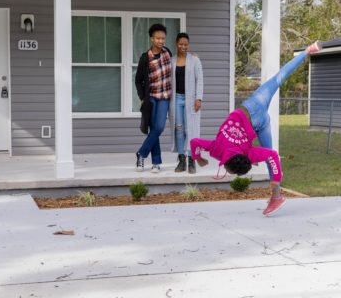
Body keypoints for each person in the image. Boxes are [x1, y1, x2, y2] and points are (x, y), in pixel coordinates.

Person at [190, 41, 322, 216]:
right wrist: (198, 157)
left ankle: (276, 195)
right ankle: (307, 51)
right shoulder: (217, 150)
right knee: (279, 77)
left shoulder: (240, 154)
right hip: (253, 106)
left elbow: (273, 156)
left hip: (257, 113)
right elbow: (194, 142)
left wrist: (275, 179)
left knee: (269, 155)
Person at [135, 23, 172, 173]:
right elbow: (138, 80)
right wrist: (142, 97)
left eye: (163, 38)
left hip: (164, 97)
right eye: (158, 38)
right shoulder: (145, 58)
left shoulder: (167, 53)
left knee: (159, 127)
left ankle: (141, 153)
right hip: (151, 97)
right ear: (152, 39)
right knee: (153, 129)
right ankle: (156, 162)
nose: (161, 41)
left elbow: (177, 63)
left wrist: (191, 57)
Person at [169, 33, 203, 174]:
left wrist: (199, 98)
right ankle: (182, 159)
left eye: (185, 44)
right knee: (179, 129)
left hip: (191, 100)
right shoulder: (171, 61)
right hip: (176, 99)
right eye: (181, 44)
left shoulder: (194, 60)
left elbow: (199, 79)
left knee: (191, 129)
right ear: (176, 44)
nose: (183, 46)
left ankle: (191, 159)